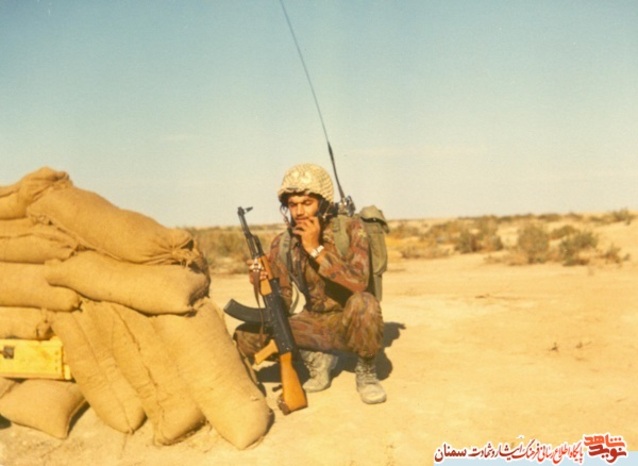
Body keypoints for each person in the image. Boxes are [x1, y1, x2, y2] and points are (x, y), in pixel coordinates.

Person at [234, 163, 386, 404]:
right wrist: (261, 279)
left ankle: (366, 371)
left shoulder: (351, 229)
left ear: (323, 203)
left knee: (364, 303)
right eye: (293, 204)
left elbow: (359, 283)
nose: (299, 211)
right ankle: (316, 359)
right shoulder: (284, 243)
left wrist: (315, 249)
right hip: (312, 322)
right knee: (246, 335)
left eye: (307, 203)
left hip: (349, 323)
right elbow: (283, 303)